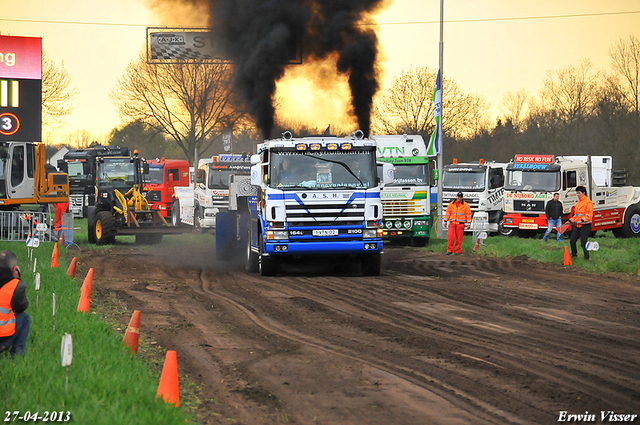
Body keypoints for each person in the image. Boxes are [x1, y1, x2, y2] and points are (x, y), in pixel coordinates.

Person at [0, 250, 30, 356]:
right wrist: (17, 278)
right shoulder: (15, 285)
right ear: (14, 269)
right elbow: (21, 307)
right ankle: (17, 355)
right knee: (24, 317)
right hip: (2, 338)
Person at [569, 186, 594, 260]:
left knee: (583, 243)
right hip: (578, 225)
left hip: (585, 226)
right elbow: (576, 215)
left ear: (583, 193)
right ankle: (574, 255)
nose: (578, 194)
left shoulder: (588, 202)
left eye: (579, 193)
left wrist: (582, 220)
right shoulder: (578, 203)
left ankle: (587, 258)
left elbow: (589, 215)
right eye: (577, 193)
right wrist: (570, 220)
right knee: (572, 241)